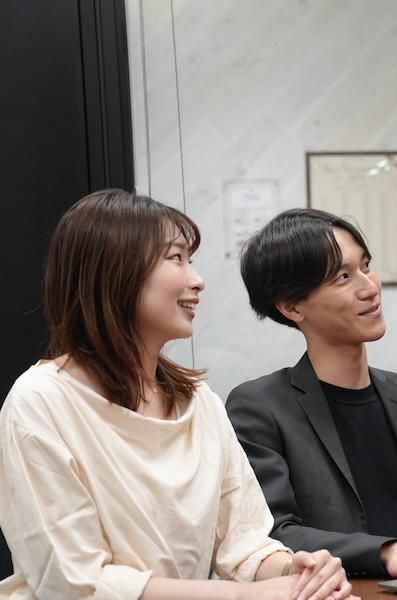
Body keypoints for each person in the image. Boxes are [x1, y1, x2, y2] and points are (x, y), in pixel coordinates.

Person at [0, 190, 354, 600]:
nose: (197, 280)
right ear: (115, 270)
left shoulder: (199, 402)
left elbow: (245, 545)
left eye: (192, 260)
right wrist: (242, 596)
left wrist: (297, 571)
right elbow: (74, 582)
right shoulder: (40, 402)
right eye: (176, 258)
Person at [227, 208, 397, 579]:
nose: (370, 287)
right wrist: (386, 551)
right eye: (343, 277)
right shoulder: (260, 407)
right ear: (292, 306)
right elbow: (273, 534)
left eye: (366, 266)